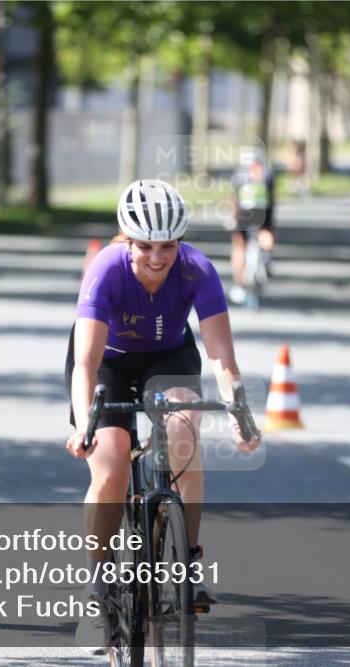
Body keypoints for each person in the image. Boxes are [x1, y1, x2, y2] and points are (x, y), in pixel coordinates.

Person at [65, 179, 261, 652]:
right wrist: (83, 424)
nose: (157, 258)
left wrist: (238, 410)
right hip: (108, 361)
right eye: (146, 247)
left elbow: (219, 355)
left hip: (169, 356)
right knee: (110, 471)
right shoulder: (106, 269)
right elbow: (86, 362)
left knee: (183, 441)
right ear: (126, 240)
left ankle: (187, 565)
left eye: (168, 246)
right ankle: (99, 591)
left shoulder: (197, 269)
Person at [227, 149, 276, 305]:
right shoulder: (267, 174)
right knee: (266, 234)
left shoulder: (239, 175)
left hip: (244, 214)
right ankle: (267, 255)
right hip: (263, 212)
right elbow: (272, 200)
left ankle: (239, 284)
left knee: (239, 246)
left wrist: (232, 218)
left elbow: (234, 200)